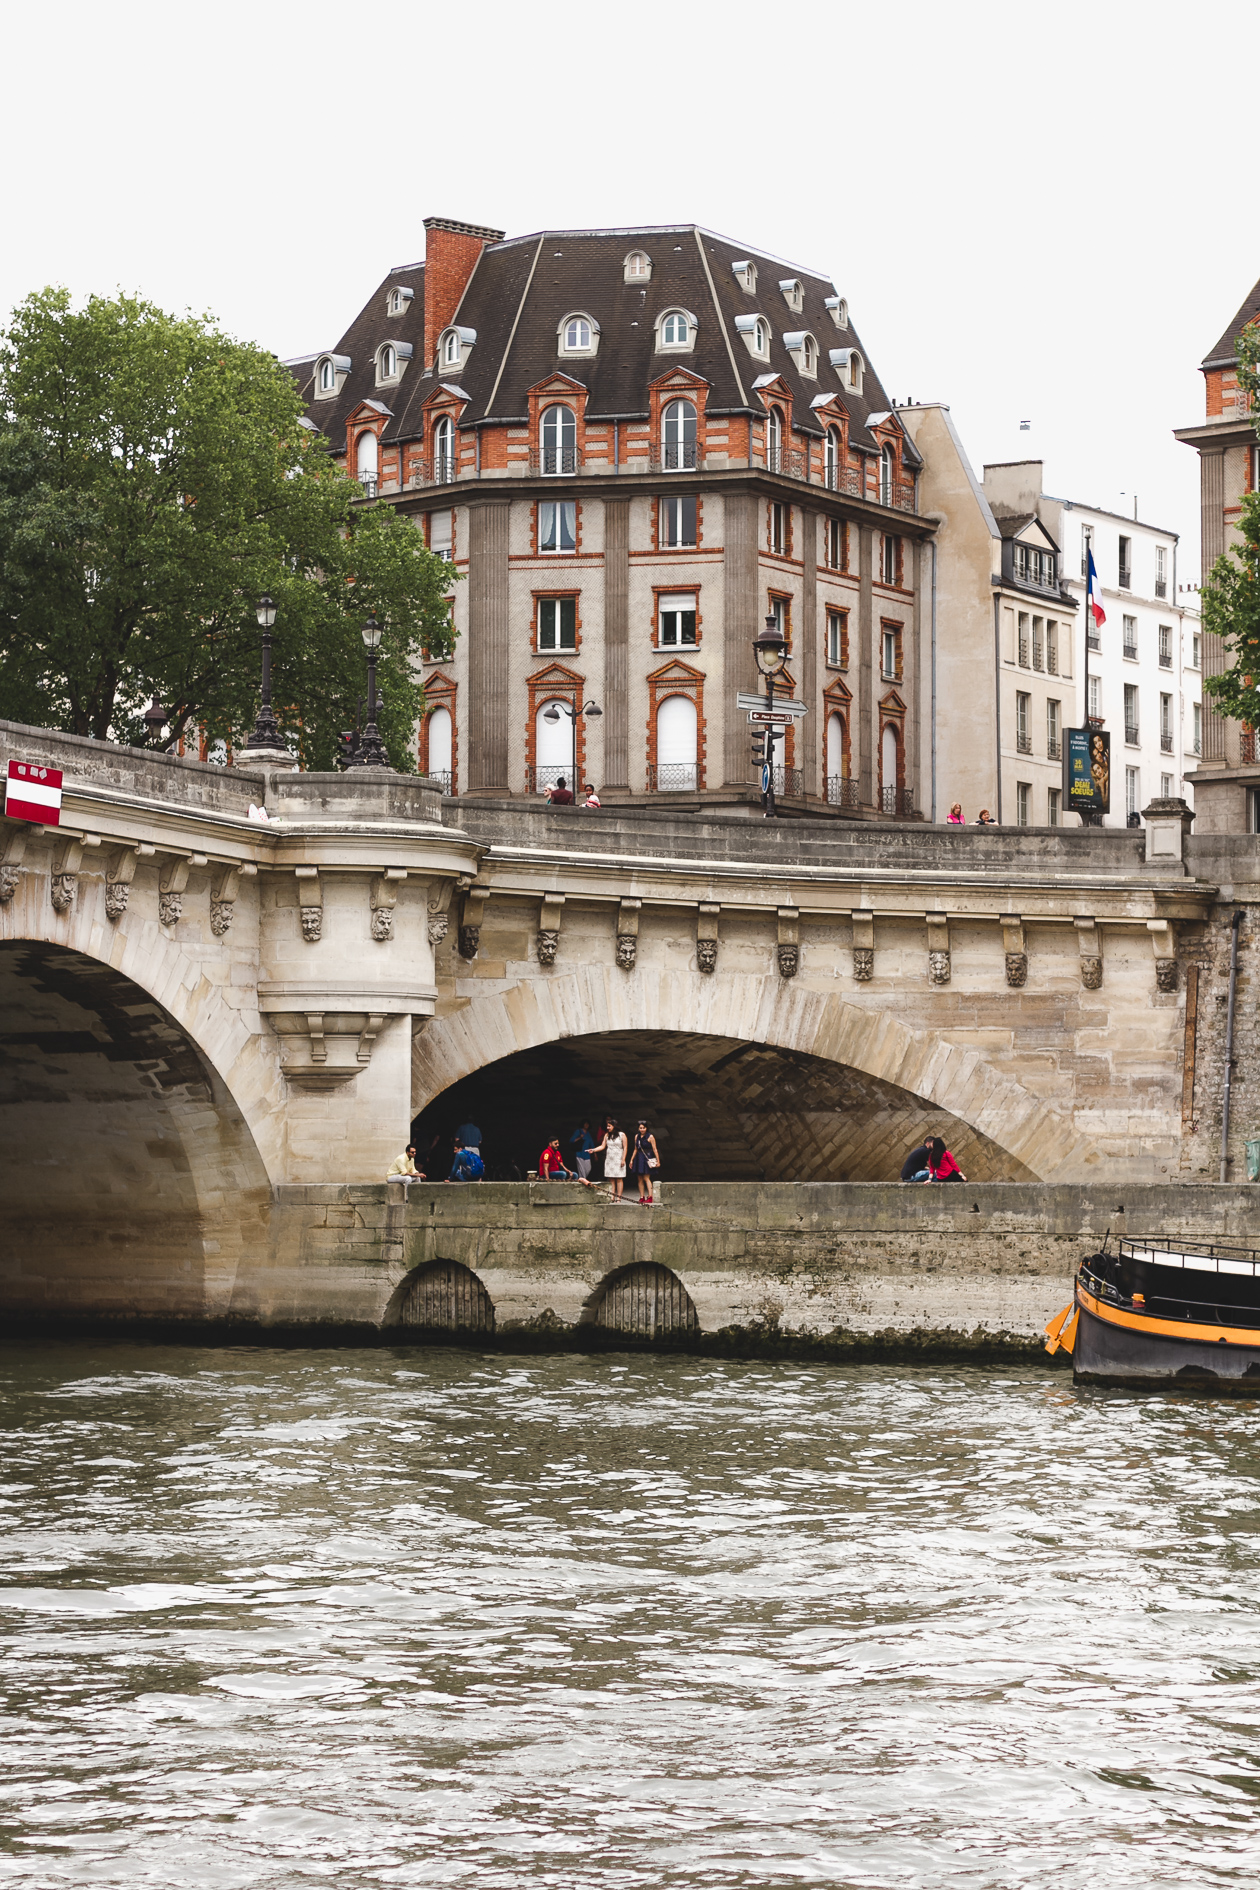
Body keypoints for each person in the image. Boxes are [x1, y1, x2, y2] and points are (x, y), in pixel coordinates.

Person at [591, 1117, 627, 1201]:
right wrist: (593, 1150)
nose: (608, 1128)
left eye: (609, 1126)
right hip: (609, 1159)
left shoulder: (622, 1135)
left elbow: (625, 1148)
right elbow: (603, 1146)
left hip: (618, 1158)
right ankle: (612, 1196)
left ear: (614, 1126)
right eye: (607, 1126)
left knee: (619, 1178)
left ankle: (619, 1197)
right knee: (611, 1178)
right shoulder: (607, 1135)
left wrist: (623, 1159)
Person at [630, 1119, 660, 1205]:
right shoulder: (637, 1136)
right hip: (639, 1157)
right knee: (639, 1178)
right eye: (640, 1128)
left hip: (647, 1157)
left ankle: (650, 1196)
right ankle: (641, 1196)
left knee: (646, 1178)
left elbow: (655, 1149)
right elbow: (635, 1149)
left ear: (646, 1128)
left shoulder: (650, 1137)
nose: (642, 1129)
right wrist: (631, 1160)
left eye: (643, 1128)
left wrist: (658, 1160)